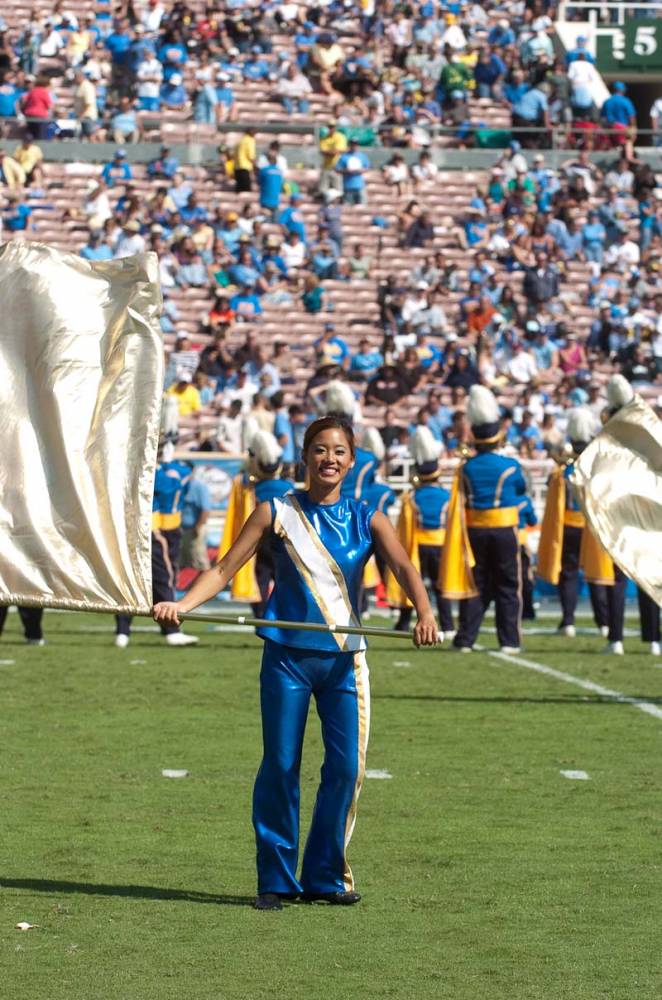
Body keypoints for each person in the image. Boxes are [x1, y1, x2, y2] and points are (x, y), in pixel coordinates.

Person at [153, 416, 439, 910]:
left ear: (353, 461)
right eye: (320, 450)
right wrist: (181, 604)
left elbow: (405, 567)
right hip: (286, 657)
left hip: (344, 663)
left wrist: (425, 613)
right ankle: (276, 879)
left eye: (340, 452)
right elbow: (223, 569)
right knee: (281, 765)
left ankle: (326, 875)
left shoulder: (368, 516)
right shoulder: (275, 511)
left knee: (345, 768)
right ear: (304, 457)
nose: (330, 459)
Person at [443, 386, 527, 653]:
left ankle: (465, 638)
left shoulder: (466, 467)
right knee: (508, 585)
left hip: (475, 530)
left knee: (475, 584)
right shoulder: (511, 466)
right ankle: (509, 640)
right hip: (504, 530)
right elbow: (521, 489)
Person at [537, 408, 614, 644]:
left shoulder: (564, 466)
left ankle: (568, 620)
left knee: (569, 573)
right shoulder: (597, 463)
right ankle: (604, 622)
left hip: (569, 525)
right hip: (593, 525)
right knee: (596, 573)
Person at [116, 449, 199, 648]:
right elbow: (171, 487)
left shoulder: (160, 469)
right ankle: (171, 630)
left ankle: (123, 631)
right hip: (152, 529)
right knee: (164, 577)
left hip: (142, 528)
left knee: (132, 579)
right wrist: (167, 465)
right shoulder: (165, 472)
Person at [389, 426, 454, 637]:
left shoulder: (411, 498)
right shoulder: (447, 496)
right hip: (440, 545)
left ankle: (403, 622)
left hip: (418, 546)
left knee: (412, 585)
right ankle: (448, 624)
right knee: (440, 586)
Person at [180, 467, 212, 576]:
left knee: (201, 562)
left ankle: (207, 590)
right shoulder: (181, 486)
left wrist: (198, 527)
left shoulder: (199, 486)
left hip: (195, 529)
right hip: (182, 530)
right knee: (181, 561)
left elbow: (205, 509)